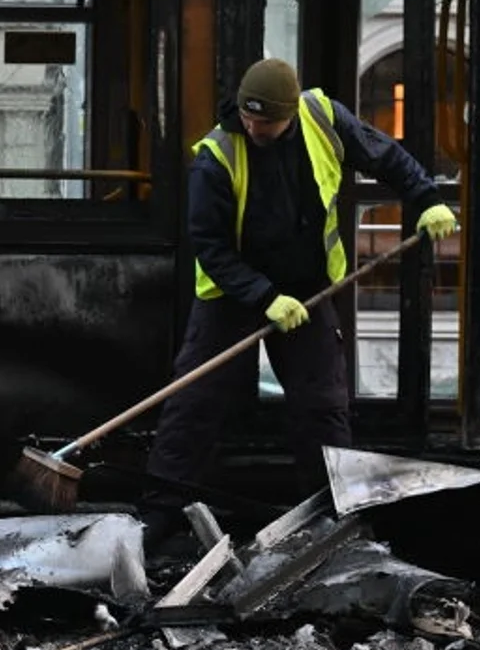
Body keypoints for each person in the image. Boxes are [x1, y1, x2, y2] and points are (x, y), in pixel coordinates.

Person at [142, 58, 458, 544]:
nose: (253, 127)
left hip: (309, 289)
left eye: (264, 120)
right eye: (247, 118)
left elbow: (386, 156)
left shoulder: (324, 118)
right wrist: (264, 297)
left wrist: (427, 197)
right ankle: (158, 518)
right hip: (232, 295)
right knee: (195, 402)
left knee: (322, 407)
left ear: (289, 114)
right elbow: (209, 244)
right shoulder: (216, 157)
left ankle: (333, 518)